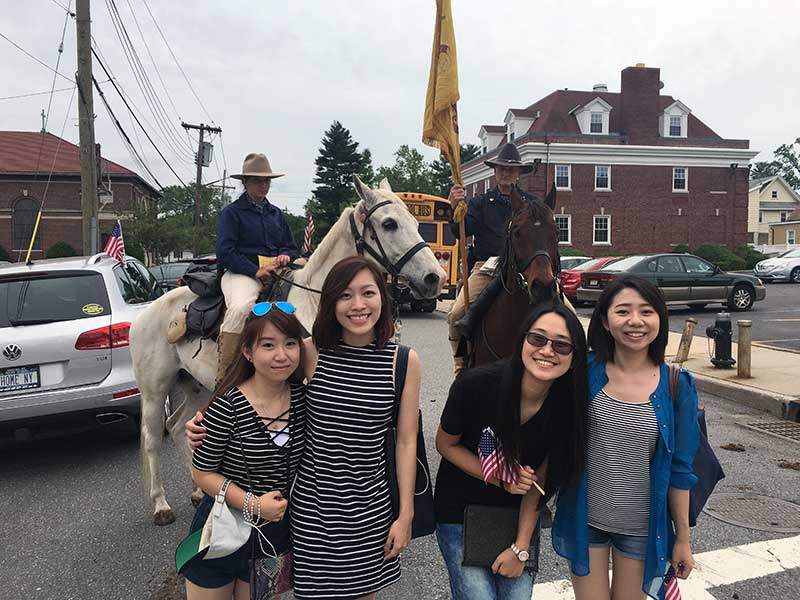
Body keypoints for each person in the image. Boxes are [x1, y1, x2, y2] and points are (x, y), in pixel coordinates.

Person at [188, 256, 420, 600]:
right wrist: (207, 415)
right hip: (313, 511)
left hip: (370, 508)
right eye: (345, 295)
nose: (358, 305)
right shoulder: (311, 351)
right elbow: (263, 380)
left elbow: (406, 441)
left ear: (382, 299)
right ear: (331, 303)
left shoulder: (403, 361)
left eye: (368, 293)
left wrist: (405, 515)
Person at [552, 276, 701, 600]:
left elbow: (680, 471)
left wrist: (683, 540)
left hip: (641, 530)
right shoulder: (583, 372)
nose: (635, 321)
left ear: (659, 320)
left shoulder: (678, 385)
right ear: (605, 321)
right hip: (586, 519)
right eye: (623, 311)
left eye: (646, 311)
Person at [434, 301, 589, 600]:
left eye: (561, 345)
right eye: (537, 338)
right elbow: (445, 444)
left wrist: (520, 548)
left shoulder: (568, 406)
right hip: (460, 510)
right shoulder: (475, 384)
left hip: (514, 517)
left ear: (574, 357)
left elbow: (539, 485)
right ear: (522, 340)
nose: (547, 350)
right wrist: (499, 478)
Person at [181, 302, 307, 600]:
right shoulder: (227, 406)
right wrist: (252, 504)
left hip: (272, 539)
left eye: (290, 344)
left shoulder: (305, 400)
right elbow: (202, 472)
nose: (281, 355)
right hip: (221, 534)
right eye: (268, 345)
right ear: (248, 352)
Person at [447, 142, 535, 375]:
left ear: (518, 173)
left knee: (567, 313)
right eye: (501, 169)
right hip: (488, 265)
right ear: (495, 172)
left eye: (511, 169)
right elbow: (461, 231)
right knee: (456, 314)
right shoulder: (479, 203)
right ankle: (461, 363)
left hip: (524, 268)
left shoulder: (531, 204)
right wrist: (455, 208)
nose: (506, 172)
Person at [216, 152, 298, 381]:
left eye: (266, 180)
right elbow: (224, 253)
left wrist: (285, 256)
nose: (263, 185)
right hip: (242, 273)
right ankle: (224, 376)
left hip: (277, 272)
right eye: (257, 180)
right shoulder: (231, 213)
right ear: (245, 182)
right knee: (241, 308)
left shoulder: (276, 214)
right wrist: (255, 270)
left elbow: (291, 247)